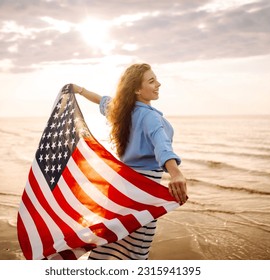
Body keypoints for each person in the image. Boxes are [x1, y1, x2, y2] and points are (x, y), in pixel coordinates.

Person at [72, 63, 187, 260]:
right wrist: (175, 173)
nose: (158, 84)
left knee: (110, 242)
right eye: (151, 81)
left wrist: (79, 90)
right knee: (135, 249)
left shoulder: (121, 111)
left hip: (121, 187)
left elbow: (101, 100)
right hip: (142, 189)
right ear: (136, 89)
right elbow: (162, 145)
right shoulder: (150, 117)